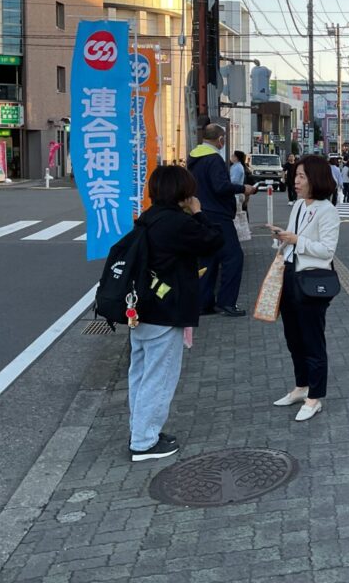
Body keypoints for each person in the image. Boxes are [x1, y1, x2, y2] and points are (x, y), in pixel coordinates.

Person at [127, 165, 224, 461]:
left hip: (142, 308)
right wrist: (198, 212)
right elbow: (214, 240)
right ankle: (144, 442)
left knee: (140, 373)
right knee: (159, 377)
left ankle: (140, 430)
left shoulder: (148, 217)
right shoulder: (177, 223)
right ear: (182, 192)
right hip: (166, 311)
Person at [270, 155, 340, 422]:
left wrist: (296, 240)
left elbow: (327, 250)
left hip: (312, 281)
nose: (295, 181)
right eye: (296, 176)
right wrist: (282, 237)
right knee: (293, 337)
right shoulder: (299, 205)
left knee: (312, 340)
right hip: (290, 275)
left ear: (315, 179)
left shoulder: (327, 210)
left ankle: (315, 397)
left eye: (301, 176)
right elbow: (292, 238)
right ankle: (301, 387)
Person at [186, 124, 258, 317]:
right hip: (218, 216)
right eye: (223, 139)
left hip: (200, 212)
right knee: (234, 257)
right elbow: (220, 186)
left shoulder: (193, 158)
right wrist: (243, 188)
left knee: (208, 258)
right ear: (220, 139)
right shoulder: (214, 159)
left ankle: (203, 303)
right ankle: (226, 302)